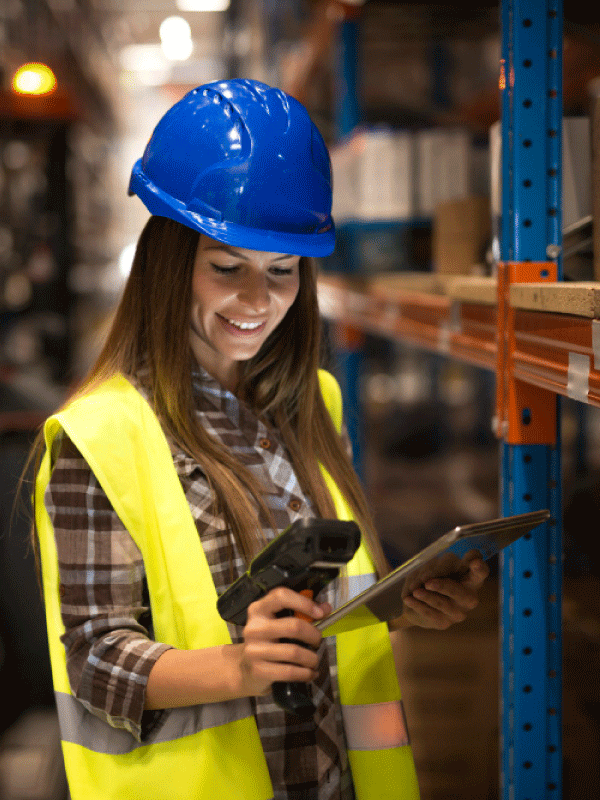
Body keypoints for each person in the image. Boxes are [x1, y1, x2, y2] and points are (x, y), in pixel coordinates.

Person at [32, 79, 489, 800]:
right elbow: (94, 660)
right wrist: (238, 668)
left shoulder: (311, 404)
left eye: (283, 271)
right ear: (166, 261)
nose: (258, 301)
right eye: (226, 267)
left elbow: (328, 617)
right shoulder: (100, 436)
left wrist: (405, 600)